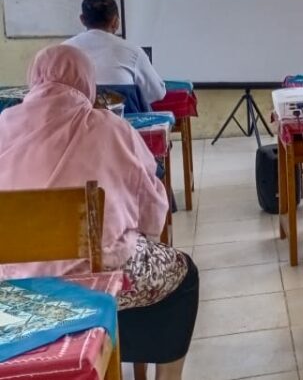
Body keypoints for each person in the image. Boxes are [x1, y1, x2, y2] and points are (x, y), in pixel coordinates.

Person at [0, 45, 198, 380]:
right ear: (87, 81)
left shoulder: (4, 123)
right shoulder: (108, 127)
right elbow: (151, 209)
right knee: (183, 275)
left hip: (13, 287)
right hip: (92, 278)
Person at [64, 0, 167, 105]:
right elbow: (157, 93)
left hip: (75, 121)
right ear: (116, 22)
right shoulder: (133, 52)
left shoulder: (61, 52)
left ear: (82, 19)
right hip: (125, 121)